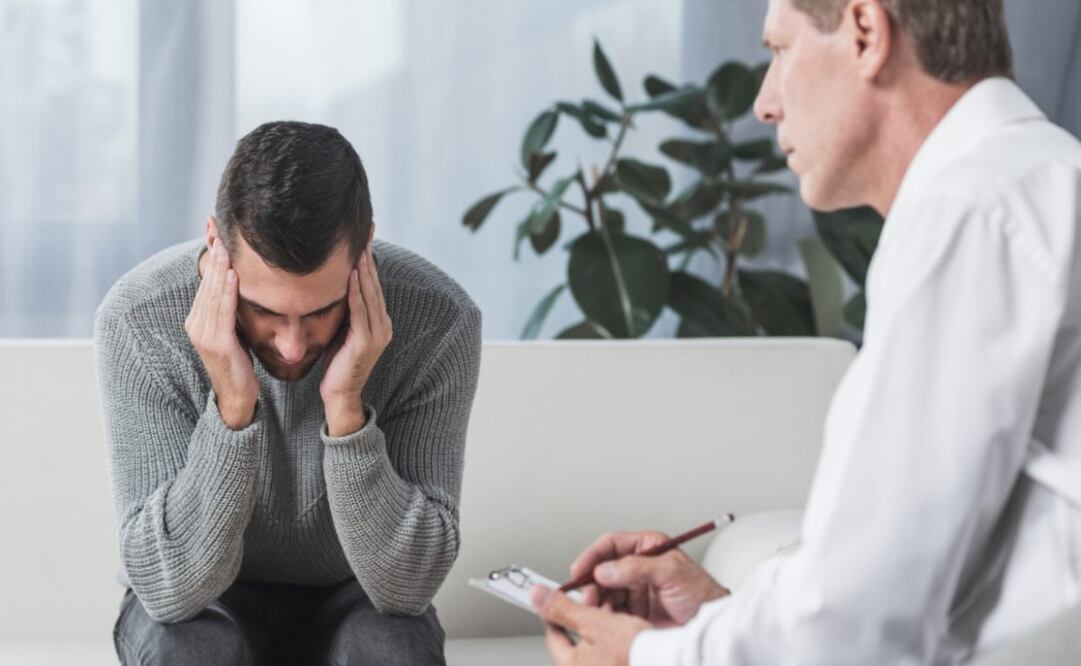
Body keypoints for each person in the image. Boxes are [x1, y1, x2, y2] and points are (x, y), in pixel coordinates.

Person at [531, 0, 1081, 663]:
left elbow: (859, 621)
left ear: (864, 33)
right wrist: (724, 618)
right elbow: (959, 579)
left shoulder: (968, 210)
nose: (764, 103)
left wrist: (650, 658)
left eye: (779, 50)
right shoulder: (1039, 179)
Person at [95, 121, 481, 665]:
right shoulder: (138, 318)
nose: (294, 346)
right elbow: (168, 588)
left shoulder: (439, 319)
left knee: (391, 651)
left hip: (358, 593)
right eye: (264, 310)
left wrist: (346, 409)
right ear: (216, 245)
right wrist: (232, 410)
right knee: (191, 652)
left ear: (364, 249)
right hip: (202, 605)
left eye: (322, 309)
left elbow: (407, 590)